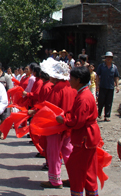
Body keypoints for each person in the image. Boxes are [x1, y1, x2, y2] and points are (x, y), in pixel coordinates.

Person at [56, 66, 101, 196]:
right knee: (89, 171)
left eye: (72, 78)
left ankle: (77, 193)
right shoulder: (83, 94)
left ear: (79, 80)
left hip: (84, 138)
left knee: (76, 169)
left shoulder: (83, 97)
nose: (70, 81)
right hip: (89, 136)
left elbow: (78, 122)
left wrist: (63, 121)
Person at [40, 60, 76, 189]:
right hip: (69, 124)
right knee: (68, 152)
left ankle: (55, 180)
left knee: (53, 152)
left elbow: (51, 109)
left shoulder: (57, 89)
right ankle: (74, 177)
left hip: (57, 125)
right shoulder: (71, 87)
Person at [96, 51, 119, 121]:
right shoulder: (101, 66)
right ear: (105, 58)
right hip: (103, 86)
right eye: (107, 57)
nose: (108, 59)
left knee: (109, 102)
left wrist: (117, 85)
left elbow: (116, 77)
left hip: (110, 87)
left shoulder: (114, 67)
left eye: (110, 58)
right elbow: (97, 76)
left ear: (112, 59)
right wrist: (97, 85)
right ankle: (99, 113)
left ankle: (107, 116)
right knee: (101, 101)